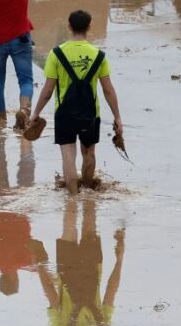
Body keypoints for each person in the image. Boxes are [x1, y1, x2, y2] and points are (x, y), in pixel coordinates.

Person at [29, 10, 123, 195]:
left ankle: (72, 201)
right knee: (89, 154)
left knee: (68, 158)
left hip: (64, 114)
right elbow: (108, 90)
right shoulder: (98, 56)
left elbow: (48, 90)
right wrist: (117, 117)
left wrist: (35, 113)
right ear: (89, 27)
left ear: (69, 27)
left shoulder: (56, 54)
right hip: (90, 114)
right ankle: (88, 195)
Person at [32, 198, 125, 326]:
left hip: (92, 268)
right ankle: (71, 189)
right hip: (67, 270)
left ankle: (88, 189)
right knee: (70, 218)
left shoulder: (102, 325)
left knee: (90, 217)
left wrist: (119, 258)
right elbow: (50, 292)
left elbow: (112, 287)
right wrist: (39, 264)